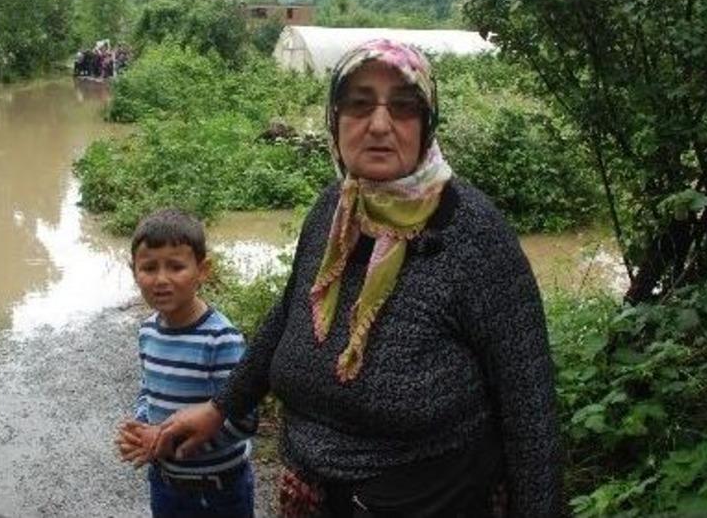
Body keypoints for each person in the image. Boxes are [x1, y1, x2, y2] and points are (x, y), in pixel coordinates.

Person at [153, 39, 561, 517]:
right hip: (311, 493)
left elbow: (529, 406)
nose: (380, 125)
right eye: (359, 104)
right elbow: (291, 313)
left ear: (427, 123)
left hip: (433, 499)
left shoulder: (472, 232)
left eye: (404, 107)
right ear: (335, 118)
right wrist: (220, 407)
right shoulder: (334, 210)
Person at [117, 208, 258, 517]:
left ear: (203, 270)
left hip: (219, 489)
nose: (161, 280)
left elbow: (243, 420)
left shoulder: (221, 339)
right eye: (149, 268)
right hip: (164, 482)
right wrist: (143, 427)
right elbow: (148, 389)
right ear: (133, 271)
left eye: (176, 266)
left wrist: (169, 441)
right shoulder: (148, 331)